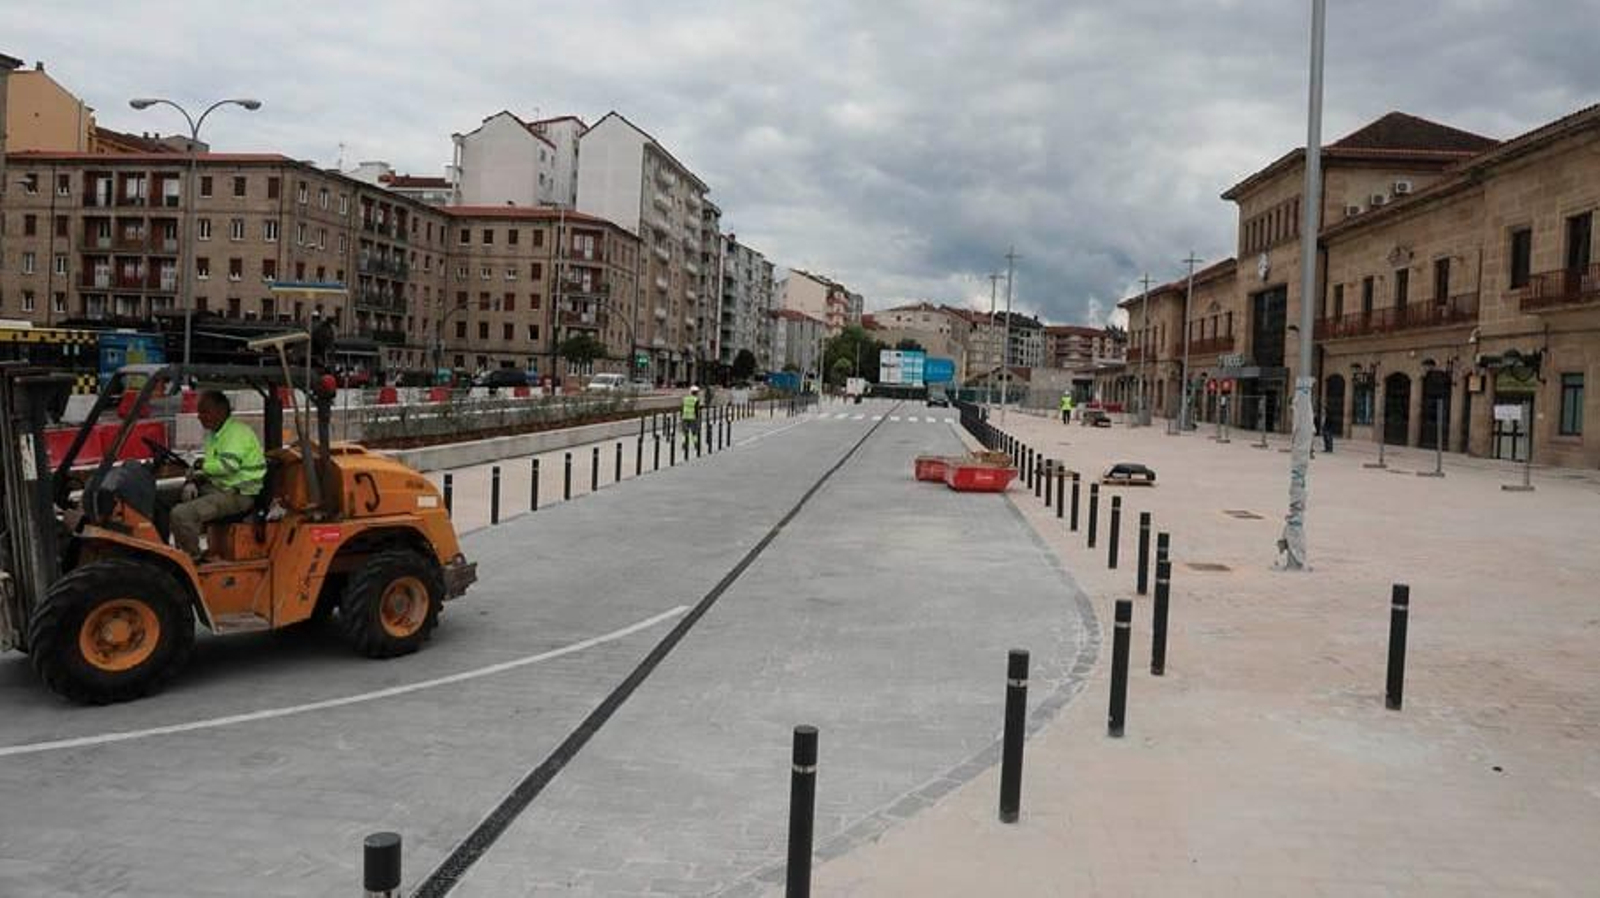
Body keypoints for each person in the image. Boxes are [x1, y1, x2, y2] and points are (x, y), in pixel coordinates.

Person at [170, 391, 266, 561]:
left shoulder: (236, 433)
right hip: (223, 488)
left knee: (181, 514)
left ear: (221, 410)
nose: (200, 417)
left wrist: (202, 466)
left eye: (205, 411)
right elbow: (214, 465)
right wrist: (195, 476)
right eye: (199, 412)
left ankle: (193, 560)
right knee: (166, 500)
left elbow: (228, 466)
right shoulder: (216, 434)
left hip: (239, 495)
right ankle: (173, 550)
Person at [682, 385, 702, 451]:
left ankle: (684, 444)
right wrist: (697, 418)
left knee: (685, 432)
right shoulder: (696, 399)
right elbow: (696, 410)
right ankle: (696, 444)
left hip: (685, 417)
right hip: (693, 417)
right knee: (694, 432)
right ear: (696, 393)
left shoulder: (685, 398)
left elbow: (682, 408)